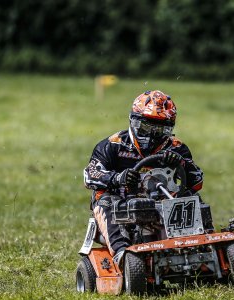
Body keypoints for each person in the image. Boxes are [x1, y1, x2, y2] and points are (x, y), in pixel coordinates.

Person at [83, 90, 204, 265]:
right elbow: (90, 175)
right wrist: (118, 178)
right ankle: (122, 254)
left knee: (193, 199)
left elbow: (197, 180)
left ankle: (202, 245)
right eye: (147, 127)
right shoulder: (113, 145)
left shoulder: (177, 148)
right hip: (121, 202)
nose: (153, 135)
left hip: (160, 201)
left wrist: (182, 164)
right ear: (134, 121)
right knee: (105, 200)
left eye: (161, 129)